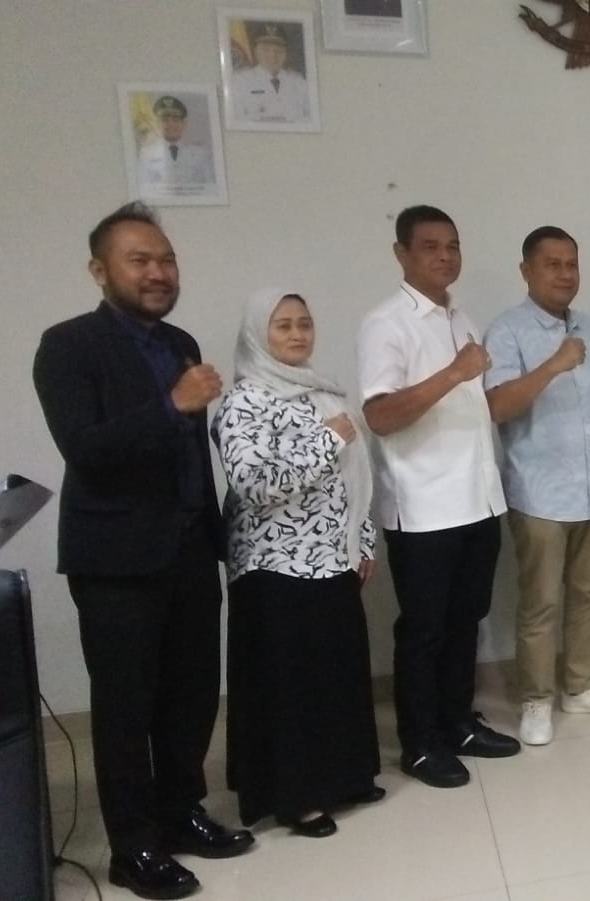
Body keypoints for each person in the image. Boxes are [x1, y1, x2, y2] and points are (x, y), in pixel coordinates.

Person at [32, 202, 253, 900]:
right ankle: (133, 846)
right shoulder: (68, 345)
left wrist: (220, 538)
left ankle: (181, 812)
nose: (158, 272)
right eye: (140, 260)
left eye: (166, 259)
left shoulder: (180, 341)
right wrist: (173, 405)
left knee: (192, 695)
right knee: (127, 708)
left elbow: (192, 458)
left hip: (188, 548)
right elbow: (85, 449)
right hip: (115, 557)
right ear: (100, 270)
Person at [211, 290, 384, 839]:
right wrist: (327, 441)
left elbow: (356, 480)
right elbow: (254, 483)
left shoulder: (322, 391)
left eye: (304, 324)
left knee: (337, 674)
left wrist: (362, 542)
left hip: (332, 559)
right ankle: (297, 798)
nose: (296, 334)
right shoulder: (243, 402)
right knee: (291, 686)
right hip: (273, 568)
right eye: (282, 325)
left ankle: (346, 778)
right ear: (258, 335)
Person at [358, 205, 518, 790]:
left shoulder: (461, 317)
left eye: (453, 245)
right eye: (430, 247)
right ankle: (420, 743)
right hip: (424, 507)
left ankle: (458, 723)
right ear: (401, 253)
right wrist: (454, 372)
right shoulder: (386, 323)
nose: (445, 256)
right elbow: (380, 415)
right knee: (424, 631)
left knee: (467, 620)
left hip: (478, 498)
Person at [484, 226, 590, 745]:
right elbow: (498, 406)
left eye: (571, 263)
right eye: (552, 264)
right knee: (541, 602)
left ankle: (581, 686)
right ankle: (536, 700)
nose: (565, 273)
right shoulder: (506, 330)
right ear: (526, 270)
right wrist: (553, 364)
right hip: (540, 493)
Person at [231, 23, 312, 123]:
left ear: (286, 54)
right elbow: (237, 121)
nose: (272, 55)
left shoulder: (300, 83)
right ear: (256, 52)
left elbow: (311, 120)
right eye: (266, 50)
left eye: (278, 51)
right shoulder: (240, 82)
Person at [137, 96, 214, 188]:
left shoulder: (200, 154)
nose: (171, 124)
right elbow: (142, 188)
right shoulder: (146, 154)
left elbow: (210, 188)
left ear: (184, 124)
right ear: (157, 124)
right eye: (165, 120)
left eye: (176, 120)